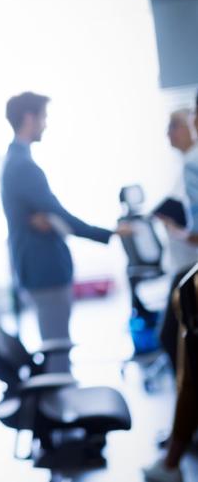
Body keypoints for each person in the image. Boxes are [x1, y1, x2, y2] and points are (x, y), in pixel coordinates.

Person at [0, 91, 129, 373]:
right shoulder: (23, 166)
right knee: (58, 349)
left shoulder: (15, 161)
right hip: (45, 271)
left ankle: (60, 406)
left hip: (40, 270)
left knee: (57, 344)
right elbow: (60, 216)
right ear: (29, 118)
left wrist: (48, 219)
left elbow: (50, 217)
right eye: (43, 117)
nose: (45, 124)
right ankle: (61, 411)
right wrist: (108, 233)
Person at [143, 100, 198, 482]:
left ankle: (174, 458)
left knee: (181, 350)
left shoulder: (193, 164)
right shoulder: (186, 166)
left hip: (190, 273)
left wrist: (171, 226)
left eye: (175, 125)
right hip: (185, 270)